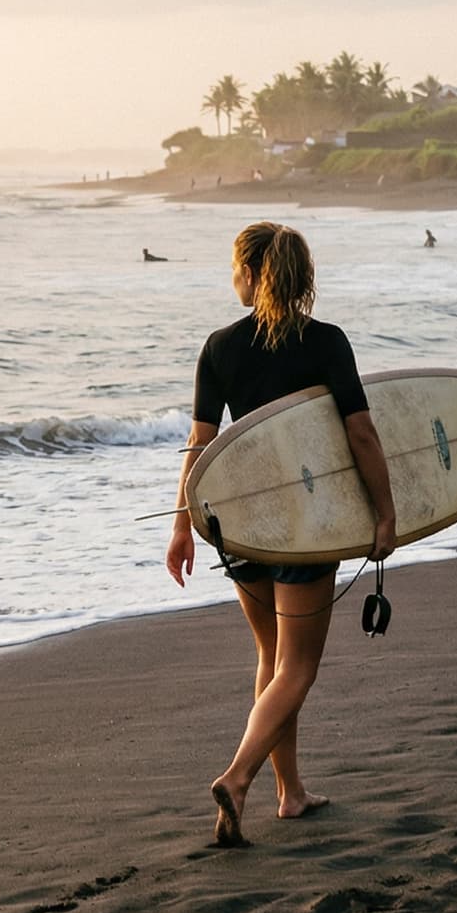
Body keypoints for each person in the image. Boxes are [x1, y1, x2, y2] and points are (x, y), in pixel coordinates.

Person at [166, 222, 396, 848]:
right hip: (306, 523)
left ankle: (289, 793)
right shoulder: (326, 343)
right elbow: (362, 434)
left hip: (240, 524)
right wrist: (385, 514)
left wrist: (184, 523)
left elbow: (201, 445)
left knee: (271, 659)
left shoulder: (219, 347)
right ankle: (238, 778)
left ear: (250, 272)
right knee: (298, 666)